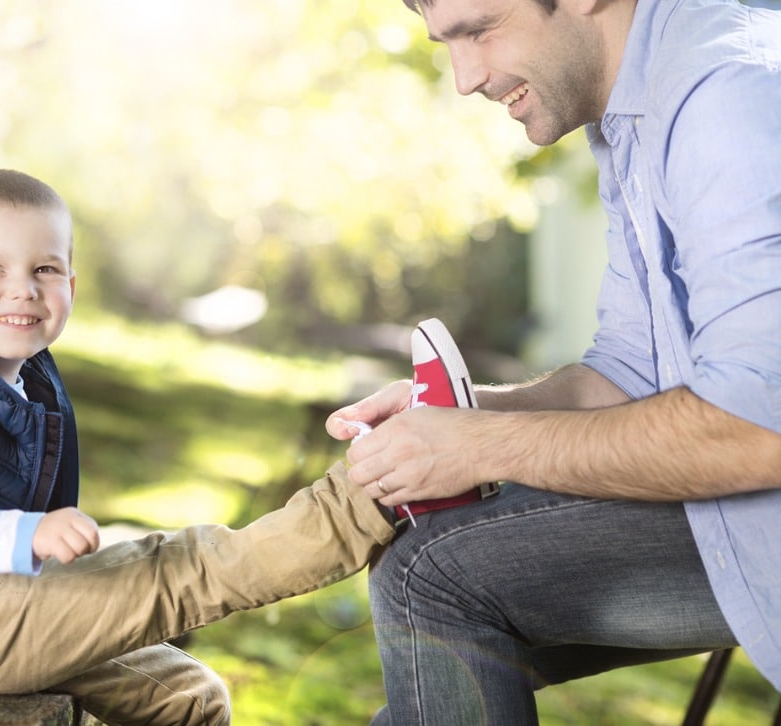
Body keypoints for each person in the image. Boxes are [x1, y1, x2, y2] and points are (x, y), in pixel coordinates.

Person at [0, 169, 396, 724]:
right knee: (177, 571)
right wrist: (25, 535)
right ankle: (377, 493)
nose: (23, 289)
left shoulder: (15, 379)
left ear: (71, 284)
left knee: (190, 696)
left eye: (44, 269)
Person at [325, 0, 781, 723]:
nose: (464, 78)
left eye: (481, 29)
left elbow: (760, 427)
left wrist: (481, 447)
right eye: (448, 43)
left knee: (432, 575)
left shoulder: (727, 92)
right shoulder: (634, 107)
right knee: (423, 691)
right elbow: (631, 371)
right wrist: (459, 416)